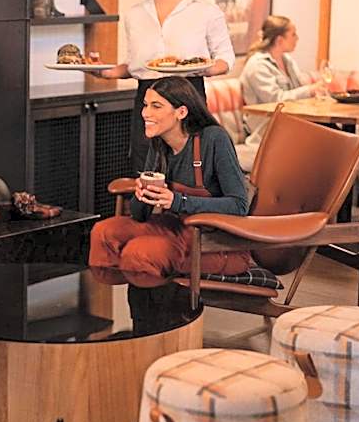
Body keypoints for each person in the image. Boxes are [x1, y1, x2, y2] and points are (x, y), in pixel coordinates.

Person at [89, 76, 251, 280]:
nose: (145, 113)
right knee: (103, 232)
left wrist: (177, 201)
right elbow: (139, 216)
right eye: (145, 105)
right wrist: (142, 194)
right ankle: (112, 291)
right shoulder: (158, 142)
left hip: (214, 241)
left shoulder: (213, 138)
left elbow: (239, 205)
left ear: (181, 112)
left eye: (156, 106)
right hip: (175, 227)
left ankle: (152, 292)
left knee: (139, 252)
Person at [97, 0, 235, 171]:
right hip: (148, 97)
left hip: (188, 96)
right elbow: (134, 65)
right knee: (146, 169)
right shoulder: (134, 15)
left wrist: (200, 67)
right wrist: (105, 72)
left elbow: (225, 59)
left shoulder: (205, 12)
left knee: (189, 170)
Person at [237, 15, 324, 170]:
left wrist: (315, 90)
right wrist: (309, 90)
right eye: (293, 34)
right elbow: (276, 99)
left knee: (332, 135)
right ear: (279, 40)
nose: (297, 38)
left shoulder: (287, 61)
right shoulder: (257, 66)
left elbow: (299, 86)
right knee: (327, 140)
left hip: (293, 124)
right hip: (267, 129)